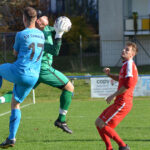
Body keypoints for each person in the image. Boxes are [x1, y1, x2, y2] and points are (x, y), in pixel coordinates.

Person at [0, 11, 74, 134]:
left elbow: (56, 28)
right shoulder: (41, 34)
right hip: (43, 68)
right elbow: (55, 50)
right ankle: (61, 120)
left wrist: (62, 26)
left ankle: (1, 99)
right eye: (39, 19)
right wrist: (60, 33)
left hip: (33, 70)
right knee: (69, 87)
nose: (42, 18)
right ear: (37, 23)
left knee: (16, 96)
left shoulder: (47, 29)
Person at [0, 7, 45, 148]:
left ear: (24, 19)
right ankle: (11, 138)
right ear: (36, 19)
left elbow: (15, 52)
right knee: (15, 104)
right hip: (33, 77)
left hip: (20, 71)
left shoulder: (20, 34)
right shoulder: (41, 34)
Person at [95, 42, 138, 150]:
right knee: (98, 122)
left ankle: (123, 146)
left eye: (127, 50)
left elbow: (127, 86)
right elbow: (120, 79)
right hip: (120, 102)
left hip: (124, 102)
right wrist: (109, 74)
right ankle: (109, 148)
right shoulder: (126, 64)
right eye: (124, 49)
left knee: (103, 124)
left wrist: (112, 95)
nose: (124, 50)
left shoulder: (130, 65)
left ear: (132, 54)